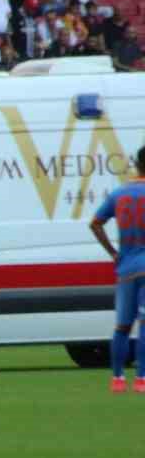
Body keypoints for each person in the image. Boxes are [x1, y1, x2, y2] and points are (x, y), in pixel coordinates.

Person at [90, 145, 145, 392]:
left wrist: (113, 252)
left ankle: (118, 379)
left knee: (122, 326)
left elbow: (95, 223)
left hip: (126, 268)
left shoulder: (119, 194)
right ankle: (142, 379)